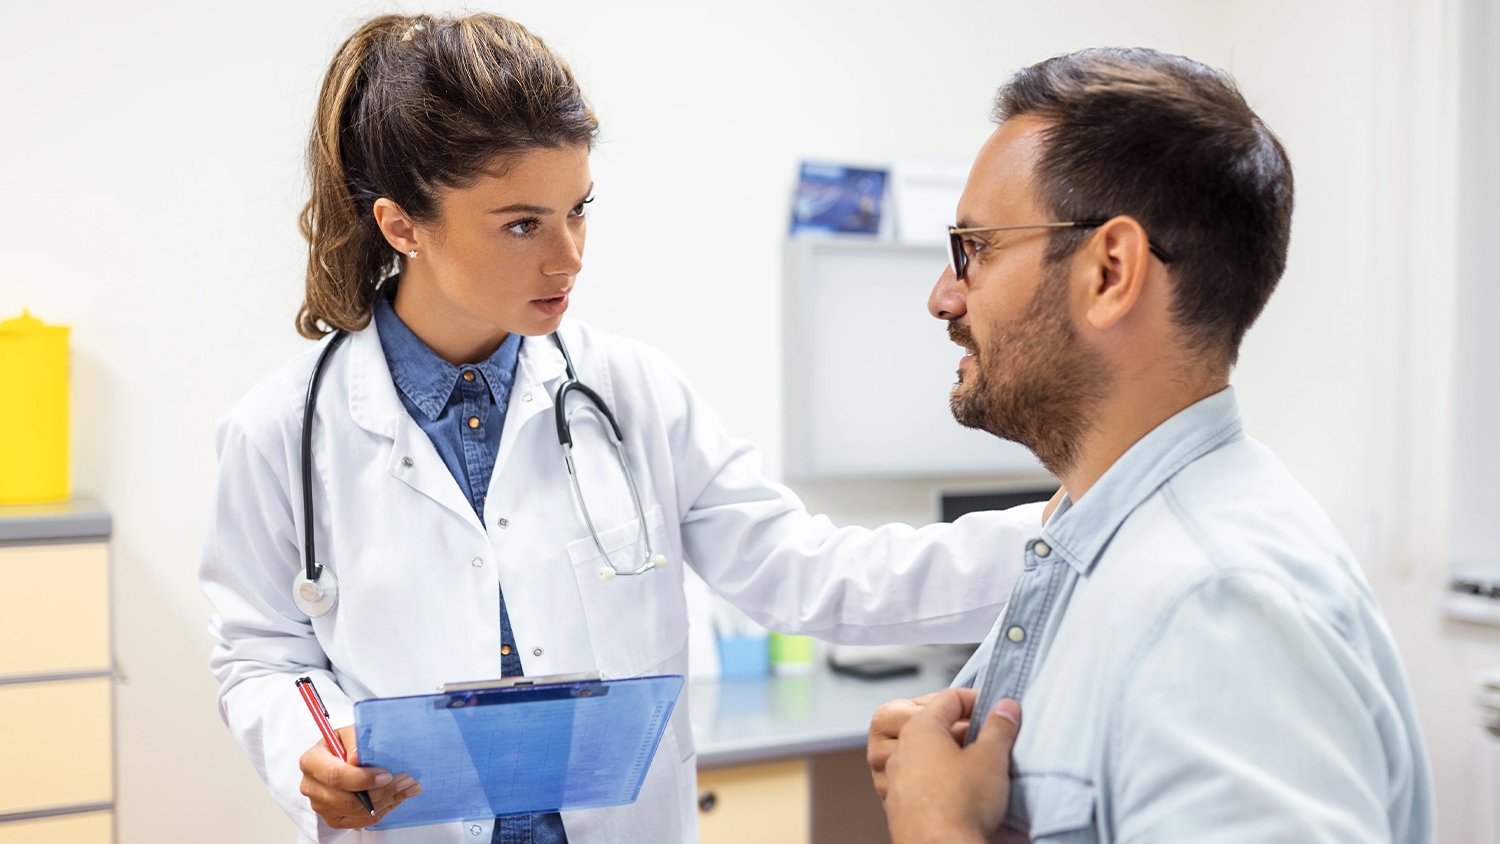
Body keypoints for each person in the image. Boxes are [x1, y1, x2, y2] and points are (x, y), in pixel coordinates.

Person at [198, 13, 1046, 844]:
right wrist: (315, 746)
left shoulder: (634, 395)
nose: (568, 256)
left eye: (579, 209)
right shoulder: (282, 431)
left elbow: (809, 573)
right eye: (522, 224)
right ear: (401, 225)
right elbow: (264, 652)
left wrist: (1063, 531)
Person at [866, 47, 1434, 842]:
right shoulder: (1098, 543)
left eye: (978, 247)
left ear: (1110, 271)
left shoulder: (1219, 607)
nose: (944, 295)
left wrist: (937, 831)